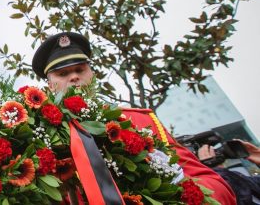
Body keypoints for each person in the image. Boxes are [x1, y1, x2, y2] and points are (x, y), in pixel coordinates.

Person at [32, 32, 236, 204]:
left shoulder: (141, 121)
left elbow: (210, 182)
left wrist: (180, 196)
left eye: (79, 69)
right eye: (63, 73)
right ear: (50, 85)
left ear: (92, 74)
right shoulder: (39, 136)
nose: (74, 77)